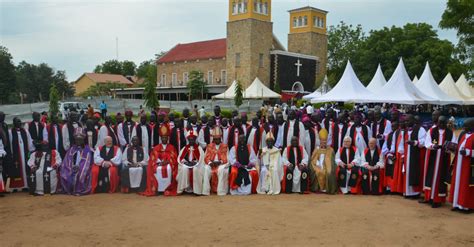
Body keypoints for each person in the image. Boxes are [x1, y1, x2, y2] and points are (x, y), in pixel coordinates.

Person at [421, 116, 456, 208]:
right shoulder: (432, 131)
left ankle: (438, 200)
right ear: (437, 122)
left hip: (443, 159)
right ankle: (429, 197)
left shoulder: (450, 133)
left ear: (446, 123)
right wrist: (433, 146)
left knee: (441, 178)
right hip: (433, 157)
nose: (441, 124)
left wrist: (449, 148)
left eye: (443, 123)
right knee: (430, 176)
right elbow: (427, 143)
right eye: (440, 122)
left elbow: (454, 145)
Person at [449, 118, 474, 213]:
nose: (464, 127)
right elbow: (457, 146)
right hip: (459, 163)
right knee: (457, 183)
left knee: (466, 185)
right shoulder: (462, 134)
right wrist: (452, 147)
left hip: (469, 165)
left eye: (466, 126)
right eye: (464, 125)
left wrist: (468, 152)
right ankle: (456, 203)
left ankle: (466, 206)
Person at [147, 125, 179, 196]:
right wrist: (159, 162)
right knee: (157, 169)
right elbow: (153, 157)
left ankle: (167, 188)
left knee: (168, 168)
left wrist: (167, 162)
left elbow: (174, 157)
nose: (164, 139)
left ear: (168, 138)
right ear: (161, 138)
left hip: (168, 164)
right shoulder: (156, 147)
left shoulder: (171, 147)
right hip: (159, 164)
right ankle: (158, 189)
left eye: (165, 138)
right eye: (163, 138)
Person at [401, 114, 426, 198]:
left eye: (408, 121)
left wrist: (414, 142)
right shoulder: (405, 131)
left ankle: (415, 193)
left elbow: (423, 141)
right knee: (407, 173)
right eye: (405, 121)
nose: (406, 122)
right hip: (407, 155)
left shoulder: (420, 129)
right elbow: (401, 143)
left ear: (413, 120)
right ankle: (407, 192)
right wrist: (402, 155)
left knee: (414, 173)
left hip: (415, 155)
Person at [8, 117, 35, 191]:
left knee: (25, 168)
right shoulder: (10, 132)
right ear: (14, 123)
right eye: (18, 122)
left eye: (20, 121)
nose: (20, 123)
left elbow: (29, 141)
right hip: (16, 155)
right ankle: (15, 187)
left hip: (25, 153)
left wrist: (31, 150)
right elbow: (9, 144)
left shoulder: (25, 131)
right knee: (16, 169)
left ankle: (25, 186)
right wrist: (11, 154)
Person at [176, 130, 205, 195]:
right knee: (184, 169)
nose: (191, 141)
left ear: (195, 139)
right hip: (187, 164)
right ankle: (183, 189)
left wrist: (195, 163)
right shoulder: (185, 148)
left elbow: (201, 160)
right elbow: (180, 158)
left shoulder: (199, 148)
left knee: (195, 169)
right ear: (188, 139)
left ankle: (197, 190)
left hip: (196, 165)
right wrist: (185, 162)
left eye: (193, 139)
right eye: (190, 139)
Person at [309, 128, 337, 194]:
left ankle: (327, 189)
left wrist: (326, 166)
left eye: (325, 142)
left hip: (327, 165)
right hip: (318, 165)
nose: (323, 143)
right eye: (322, 141)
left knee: (329, 172)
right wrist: (318, 164)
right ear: (320, 141)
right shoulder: (317, 149)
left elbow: (332, 161)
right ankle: (317, 188)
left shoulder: (330, 149)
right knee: (318, 171)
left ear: (326, 142)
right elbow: (313, 159)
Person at [203, 127, 229, 196]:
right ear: (213, 139)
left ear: (220, 138)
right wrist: (210, 163)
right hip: (212, 163)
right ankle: (206, 191)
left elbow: (227, 158)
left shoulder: (225, 146)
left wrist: (220, 162)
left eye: (218, 139)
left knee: (221, 169)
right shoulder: (209, 146)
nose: (217, 140)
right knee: (206, 169)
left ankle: (220, 191)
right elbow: (206, 157)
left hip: (221, 164)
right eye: (215, 139)